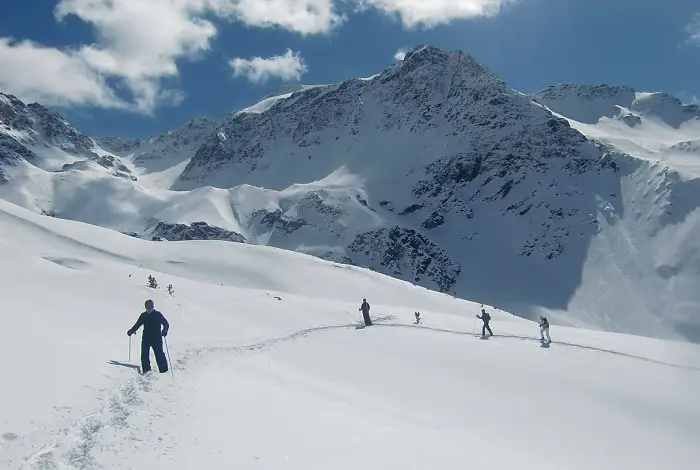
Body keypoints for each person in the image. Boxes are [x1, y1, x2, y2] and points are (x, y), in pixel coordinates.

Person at [127, 299, 170, 374]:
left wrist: (165, 330)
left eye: (150, 307)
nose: (149, 309)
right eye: (147, 308)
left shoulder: (158, 314)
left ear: (153, 307)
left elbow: (166, 323)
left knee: (159, 353)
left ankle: (164, 370)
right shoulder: (143, 315)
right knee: (144, 353)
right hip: (146, 338)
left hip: (157, 338)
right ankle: (146, 370)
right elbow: (138, 324)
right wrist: (132, 330)